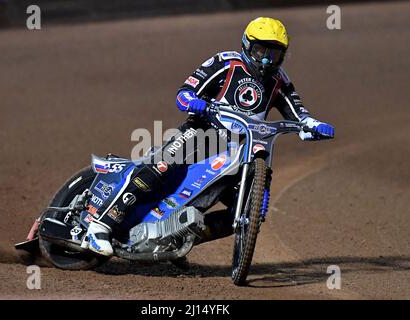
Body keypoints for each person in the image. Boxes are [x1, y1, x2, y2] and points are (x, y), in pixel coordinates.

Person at [82, 17, 335, 256]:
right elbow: (185, 91)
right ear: (248, 45)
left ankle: (174, 239)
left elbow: (299, 112)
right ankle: (100, 226)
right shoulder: (226, 63)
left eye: (275, 54)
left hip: (241, 150)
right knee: (160, 166)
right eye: (261, 51)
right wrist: (194, 102)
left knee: (248, 210)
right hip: (202, 132)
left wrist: (313, 125)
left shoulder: (280, 81)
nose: (267, 60)